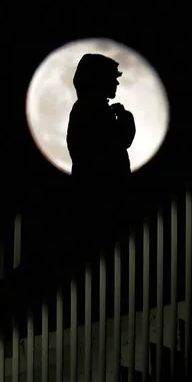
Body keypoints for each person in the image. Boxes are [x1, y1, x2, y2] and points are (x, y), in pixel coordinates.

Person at [65, 53, 136, 270]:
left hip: (95, 195)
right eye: (112, 77)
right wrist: (126, 117)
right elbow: (121, 140)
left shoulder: (86, 108)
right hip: (102, 197)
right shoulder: (93, 109)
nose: (116, 82)